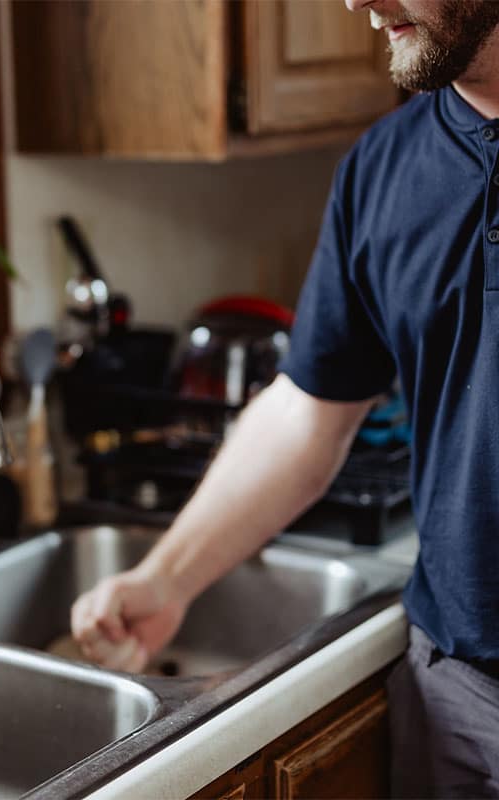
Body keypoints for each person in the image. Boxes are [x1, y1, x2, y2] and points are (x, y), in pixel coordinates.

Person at [70, 1, 499, 796]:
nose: (354, 0)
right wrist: (167, 577)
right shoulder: (383, 171)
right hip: (461, 699)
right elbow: (309, 412)